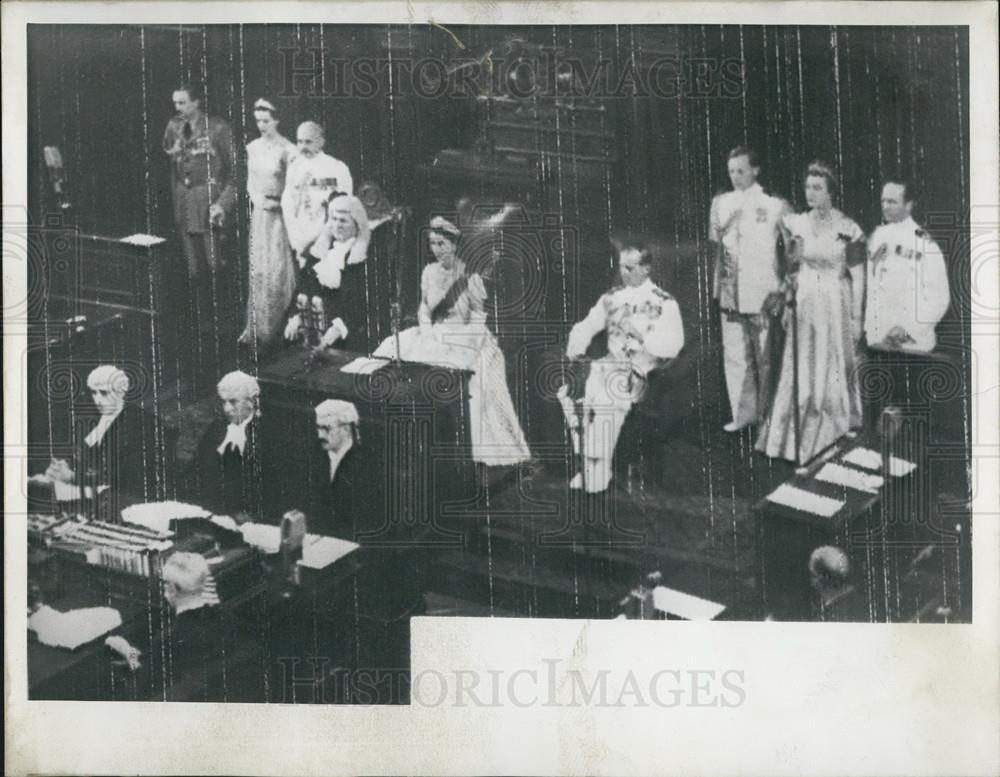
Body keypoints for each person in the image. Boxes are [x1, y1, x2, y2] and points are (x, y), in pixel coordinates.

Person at [373, 217, 532, 467]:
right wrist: (427, 332)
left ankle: (459, 447)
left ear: (454, 245)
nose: (437, 249)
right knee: (394, 353)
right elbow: (424, 310)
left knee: (468, 376)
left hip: (465, 334)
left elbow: (478, 317)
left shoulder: (470, 277)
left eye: (442, 243)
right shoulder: (429, 272)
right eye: (433, 244)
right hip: (433, 333)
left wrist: (468, 343)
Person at [756, 161, 866, 465]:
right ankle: (793, 437)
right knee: (802, 364)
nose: (811, 193)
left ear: (831, 191)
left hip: (834, 300)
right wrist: (786, 294)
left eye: (818, 187)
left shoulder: (848, 228)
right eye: (808, 187)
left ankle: (833, 429)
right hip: (805, 299)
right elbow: (790, 267)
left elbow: (860, 276)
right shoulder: (796, 223)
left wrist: (856, 319)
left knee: (830, 363)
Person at [558, 244, 684, 493]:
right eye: (621, 266)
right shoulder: (612, 297)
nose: (623, 272)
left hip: (642, 370)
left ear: (646, 269)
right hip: (608, 363)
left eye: (630, 267)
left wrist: (643, 337)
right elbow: (588, 324)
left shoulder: (665, 303)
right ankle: (587, 464)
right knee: (571, 396)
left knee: (607, 400)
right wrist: (577, 345)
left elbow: (674, 344)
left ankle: (598, 472)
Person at [708, 146, 791, 432]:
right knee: (735, 356)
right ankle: (743, 416)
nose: (735, 176)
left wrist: (782, 289)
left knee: (765, 358)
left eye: (741, 170)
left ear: (755, 170)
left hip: (763, 292)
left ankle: (768, 419)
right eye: (731, 171)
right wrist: (718, 289)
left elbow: (792, 250)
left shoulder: (774, 204)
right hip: (731, 292)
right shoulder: (720, 203)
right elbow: (719, 249)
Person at [162, 83, 237, 328]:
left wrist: (223, 204)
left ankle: (223, 323)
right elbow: (174, 167)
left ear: (196, 103)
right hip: (185, 202)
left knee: (215, 266)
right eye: (176, 103)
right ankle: (202, 324)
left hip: (208, 202)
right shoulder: (174, 127)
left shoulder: (217, 128)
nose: (178, 108)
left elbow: (235, 173)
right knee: (194, 269)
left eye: (183, 102)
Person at [105, 552, 225, 702]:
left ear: (172, 589)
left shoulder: (168, 640)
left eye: (163, 583)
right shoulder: (226, 617)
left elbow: (140, 688)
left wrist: (129, 652)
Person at [33, 365, 157, 507]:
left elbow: (123, 476)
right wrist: (62, 467)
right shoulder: (96, 419)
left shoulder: (138, 424)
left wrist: (72, 477)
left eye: (103, 393)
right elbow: (84, 455)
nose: (97, 400)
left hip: (129, 498)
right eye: (94, 392)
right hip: (92, 490)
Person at [865, 178, 950, 352]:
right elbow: (873, 288)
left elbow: (939, 298)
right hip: (880, 338)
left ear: (909, 205)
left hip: (912, 341)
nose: (885, 206)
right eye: (883, 201)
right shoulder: (878, 237)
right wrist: (871, 329)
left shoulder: (924, 243)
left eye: (892, 202)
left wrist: (908, 328)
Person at [238, 98, 296, 348]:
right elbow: (251, 182)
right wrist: (258, 200)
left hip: (281, 216)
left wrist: (279, 202)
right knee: (259, 269)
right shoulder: (252, 147)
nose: (261, 125)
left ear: (277, 120)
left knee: (278, 270)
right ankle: (257, 328)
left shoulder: (288, 149)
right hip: (261, 214)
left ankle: (279, 328)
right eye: (258, 121)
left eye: (266, 121)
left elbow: (294, 186)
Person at [283, 194, 371, 350]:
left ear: (356, 224)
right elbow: (303, 288)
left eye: (343, 221)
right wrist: (296, 317)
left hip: (346, 334)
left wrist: (340, 327)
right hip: (313, 328)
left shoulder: (363, 258)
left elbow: (363, 305)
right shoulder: (320, 252)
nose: (337, 225)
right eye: (334, 219)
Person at [280, 121, 353, 270]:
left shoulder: (337, 168)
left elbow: (344, 206)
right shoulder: (294, 168)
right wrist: (297, 240)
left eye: (308, 142)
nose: (303, 147)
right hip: (300, 240)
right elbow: (287, 205)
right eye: (299, 142)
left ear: (321, 141)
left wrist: (323, 239)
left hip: (328, 239)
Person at [194, 370, 264, 518]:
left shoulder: (263, 435)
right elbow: (197, 468)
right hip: (207, 508)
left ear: (252, 401)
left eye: (233, 402)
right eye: (223, 402)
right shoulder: (216, 428)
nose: (227, 409)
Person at [308, 399, 374, 539]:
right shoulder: (314, 456)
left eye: (326, 428)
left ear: (346, 428)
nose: (320, 435)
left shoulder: (365, 464)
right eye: (318, 428)